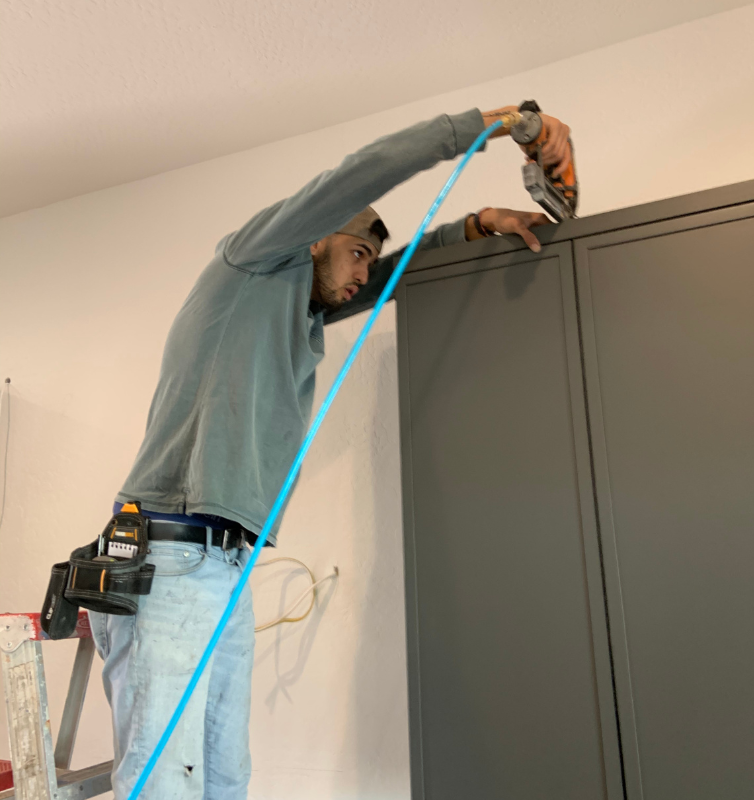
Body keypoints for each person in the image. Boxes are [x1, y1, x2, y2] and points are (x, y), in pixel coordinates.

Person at [88, 103, 572, 799]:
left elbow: (395, 273)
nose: (363, 274)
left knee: (224, 778)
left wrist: (473, 226)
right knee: (164, 780)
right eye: (357, 254)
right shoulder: (251, 261)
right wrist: (481, 126)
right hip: (168, 556)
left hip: (225, 567)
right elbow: (360, 173)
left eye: (369, 261)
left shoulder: (298, 311)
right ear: (315, 237)